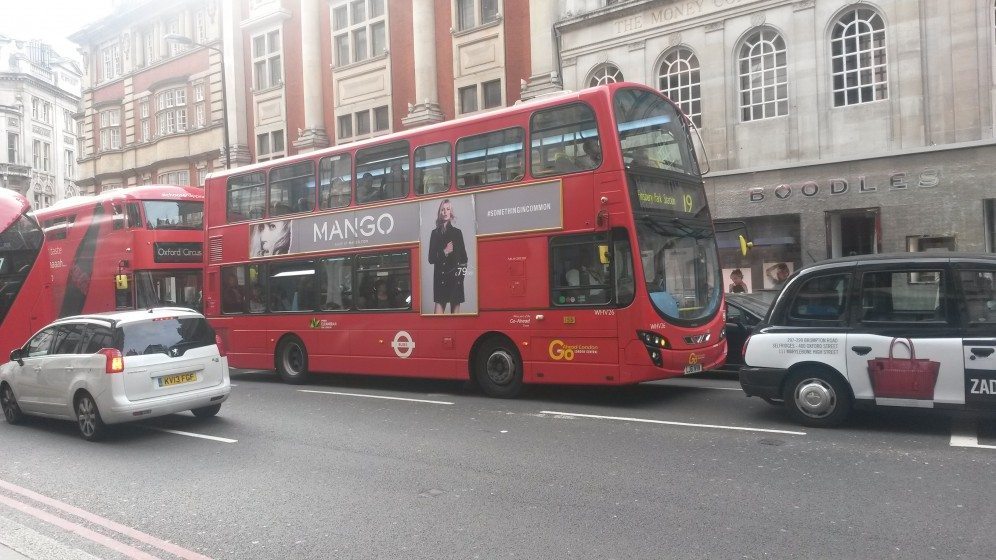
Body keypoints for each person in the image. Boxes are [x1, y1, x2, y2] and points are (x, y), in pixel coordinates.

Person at [427, 199, 468, 314]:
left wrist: (460, 279)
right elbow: (431, 259)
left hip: (455, 281)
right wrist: (444, 251)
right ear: (440, 212)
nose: (445, 212)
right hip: (440, 280)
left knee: (456, 323)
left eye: (448, 209)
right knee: (437, 323)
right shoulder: (434, 234)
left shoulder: (457, 233)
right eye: (443, 209)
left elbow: (464, 259)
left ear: (451, 212)